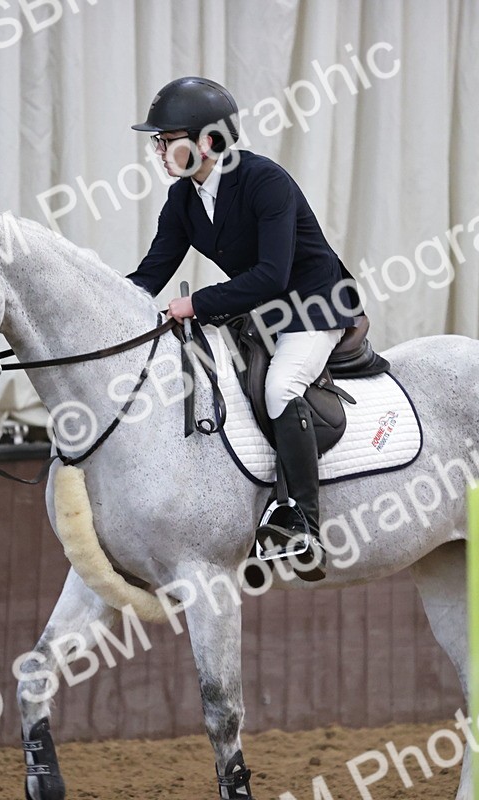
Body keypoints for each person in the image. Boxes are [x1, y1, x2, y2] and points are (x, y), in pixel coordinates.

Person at [126, 76, 359, 580]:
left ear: (208, 141)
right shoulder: (183, 199)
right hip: (260, 311)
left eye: (167, 140)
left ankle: (304, 523)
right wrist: (108, 309)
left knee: (281, 387)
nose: (159, 151)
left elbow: (273, 274)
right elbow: (150, 273)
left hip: (314, 304)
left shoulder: (264, 181)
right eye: (157, 142)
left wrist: (197, 304)